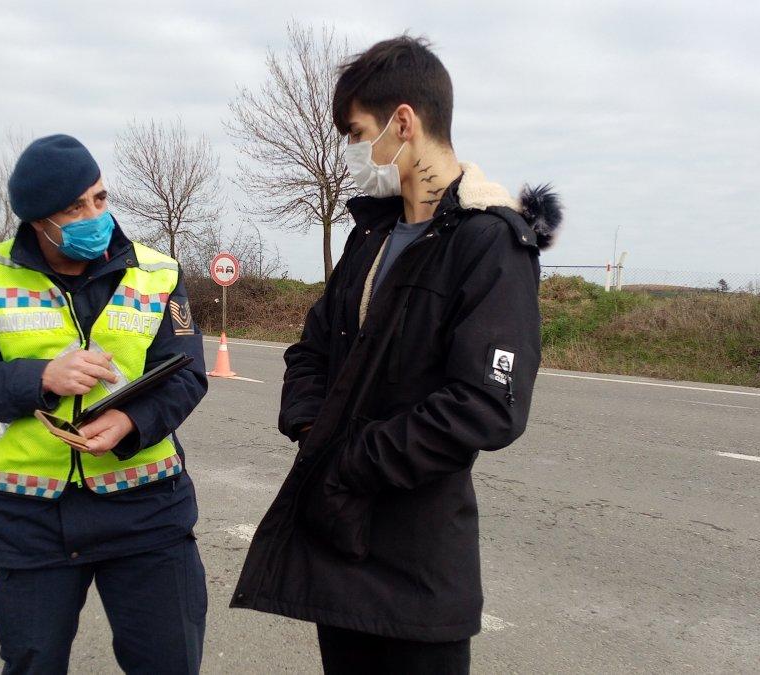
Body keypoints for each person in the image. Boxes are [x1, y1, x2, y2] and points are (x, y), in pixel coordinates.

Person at [230, 36, 563, 674]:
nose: (353, 153)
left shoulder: (490, 243)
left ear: (402, 123)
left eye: (357, 134)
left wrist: (351, 461)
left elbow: (486, 405)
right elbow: (311, 349)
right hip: (340, 546)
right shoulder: (372, 235)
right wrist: (311, 426)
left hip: (419, 569)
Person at [0, 134, 208, 674]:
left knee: (170, 662)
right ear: (39, 220)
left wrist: (130, 421)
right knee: (34, 663)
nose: (94, 216)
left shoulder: (156, 272)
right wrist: (41, 378)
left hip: (146, 508)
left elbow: (186, 376)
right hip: (31, 515)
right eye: (74, 208)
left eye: (99, 198)